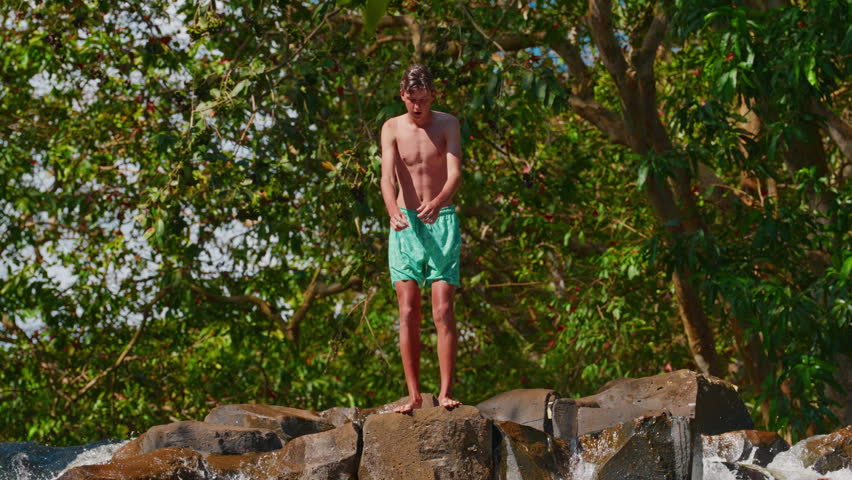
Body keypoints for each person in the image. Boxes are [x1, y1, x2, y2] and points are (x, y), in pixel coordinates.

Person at [380, 64, 462, 413]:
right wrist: (390, 210)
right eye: (412, 100)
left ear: (433, 97)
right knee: (408, 310)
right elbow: (386, 178)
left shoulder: (448, 124)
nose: (418, 107)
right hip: (404, 225)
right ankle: (413, 396)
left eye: (424, 100)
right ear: (403, 96)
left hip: (441, 220)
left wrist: (439, 201)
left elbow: (456, 173)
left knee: (442, 309)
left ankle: (444, 393)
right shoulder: (391, 127)